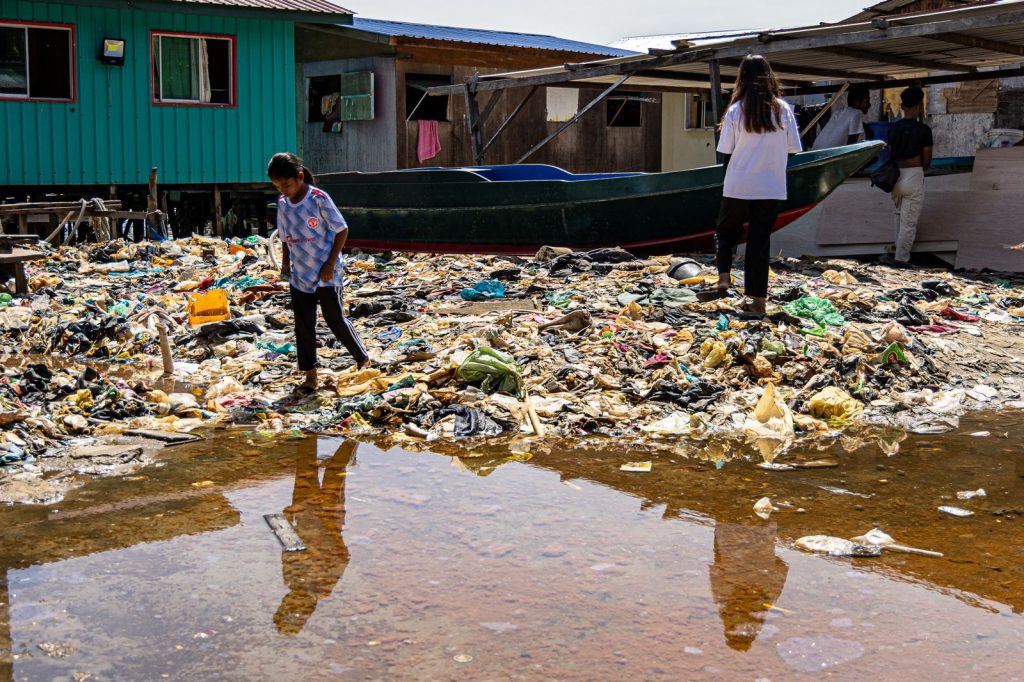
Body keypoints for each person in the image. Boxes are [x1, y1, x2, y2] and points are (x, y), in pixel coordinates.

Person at [268, 152, 370, 392]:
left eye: (286, 185)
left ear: (300, 177)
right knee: (303, 324)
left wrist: (329, 263)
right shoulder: (283, 204)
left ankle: (362, 358)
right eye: (277, 186)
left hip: (327, 272)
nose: (283, 190)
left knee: (334, 318)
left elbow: (341, 230)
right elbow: (284, 237)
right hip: (300, 273)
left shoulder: (318, 198)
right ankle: (310, 374)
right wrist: (285, 265)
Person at [713, 54, 802, 316]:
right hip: (770, 187)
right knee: (759, 243)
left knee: (726, 233)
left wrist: (727, 184)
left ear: (742, 78)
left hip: (738, 184)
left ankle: (723, 278)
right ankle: (758, 302)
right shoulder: (782, 110)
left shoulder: (735, 110)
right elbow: (792, 150)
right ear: (769, 77)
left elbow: (725, 153)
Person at [274, 439, 358, 636]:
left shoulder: (292, 581)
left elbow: (290, 550)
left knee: (304, 466)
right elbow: (343, 556)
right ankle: (354, 435)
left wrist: (283, 522)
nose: (288, 601)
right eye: (292, 606)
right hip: (328, 515)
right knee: (334, 472)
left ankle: (308, 432)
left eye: (285, 604)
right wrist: (329, 531)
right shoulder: (324, 586)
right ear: (307, 609)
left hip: (304, 513)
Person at [880, 86, 932, 268]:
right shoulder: (924, 130)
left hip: (895, 177)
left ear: (902, 106)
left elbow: (891, 154)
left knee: (898, 215)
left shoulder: (893, 129)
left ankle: (895, 253)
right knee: (908, 222)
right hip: (914, 175)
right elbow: (927, 160)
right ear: (919, 106)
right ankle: (901, 260)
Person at [811, 84, 871, 150]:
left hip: (815, 149)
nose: (869, 104)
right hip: (827, 153)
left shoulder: (838, 112)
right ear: (856, 102)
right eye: (867, 101)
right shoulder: (856, 113)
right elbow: (851, 145)